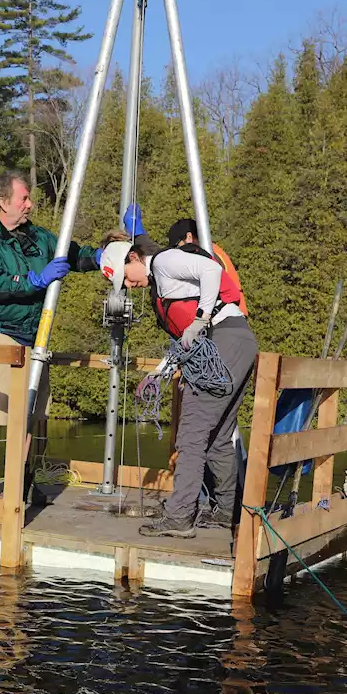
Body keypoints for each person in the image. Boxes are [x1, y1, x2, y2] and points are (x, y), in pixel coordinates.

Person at [99, 206, 258, 536]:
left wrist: (200, 319)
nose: (130, 285)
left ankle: (180, 516)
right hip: (233, 342)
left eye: (126, 276)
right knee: (215, 437)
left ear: (133, 257)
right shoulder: (159, 276)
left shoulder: (164, 261)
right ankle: (227, 512)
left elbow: (211, 273)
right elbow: (184, 339)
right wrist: (159, 372)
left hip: (224, 339)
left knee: (191, 434)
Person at [0, 169, 103, 499]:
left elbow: (73, 252)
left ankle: (20, 479)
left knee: (30, 413)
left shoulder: (39, 238)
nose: (30, 204)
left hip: (34, 336)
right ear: (3, 201)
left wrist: (100, 257)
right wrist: (34, 280)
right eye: (24, 198)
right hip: (1, 331)